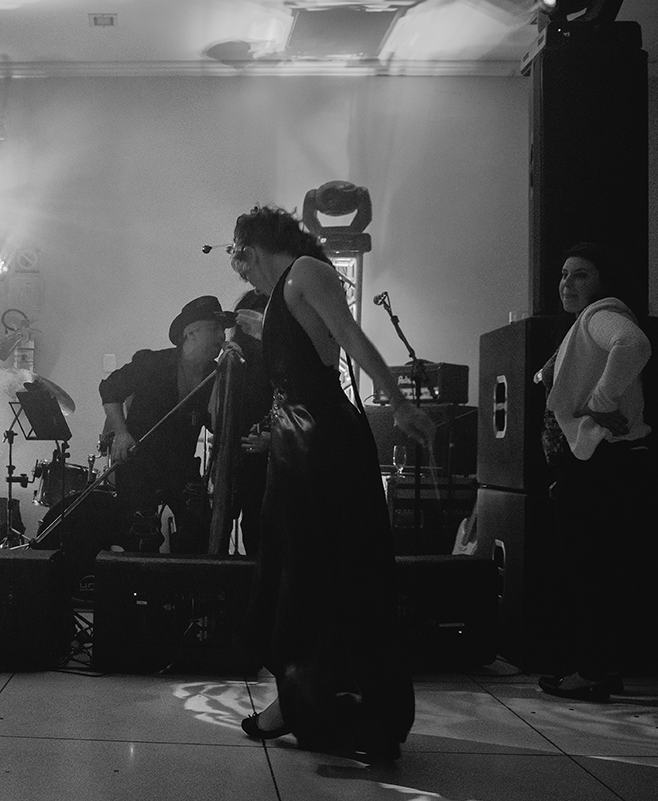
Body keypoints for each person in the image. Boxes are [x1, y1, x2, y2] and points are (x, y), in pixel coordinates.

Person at [227, 204, 434, 760]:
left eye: (237, 254)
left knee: (327, 573)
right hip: (298, 444)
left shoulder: (306, 272)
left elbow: (351, 340)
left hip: (323, 444)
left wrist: (396, 401)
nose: (237, 267)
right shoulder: (281, 294)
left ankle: (346, 708)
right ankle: (295, 700)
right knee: (295, 572)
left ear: (254, 245)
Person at [535, 242, 653, 702]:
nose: (567, 283)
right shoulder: (581, 328)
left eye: (580, 274)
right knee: (597, 571)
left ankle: (593, 673)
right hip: (594, 464)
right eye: (564, 274)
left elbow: (634, 344)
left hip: (600, 464)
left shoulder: (600, 315)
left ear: (602, 282)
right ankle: (599, 668)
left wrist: (598, 404)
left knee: (590, 572)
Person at [99, 296, 232, 554]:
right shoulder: (153, 364)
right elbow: (110, 390)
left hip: (180, 465)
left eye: (223, 330)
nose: (221, 336)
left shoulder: (215, 374)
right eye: (215, 329)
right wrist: (122, 434)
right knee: (142, 533)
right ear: (190, 332)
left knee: (200, 524)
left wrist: (224, 379)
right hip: (140, 462)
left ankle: (189, 589)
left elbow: (218, 425)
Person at [228, 288, 272, 558]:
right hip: (248, 453)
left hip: (273, 450)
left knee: (261, 523)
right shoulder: (239, 359)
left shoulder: (278, 360)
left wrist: (272, 439)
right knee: (254, 522)